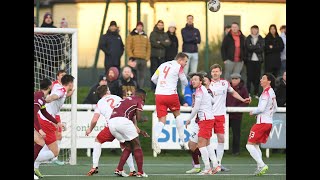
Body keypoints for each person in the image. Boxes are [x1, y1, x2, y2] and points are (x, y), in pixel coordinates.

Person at [85, 85, 137, 176]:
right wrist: (134, 125)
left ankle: (94, 166)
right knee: (125, 146)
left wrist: (90, 129)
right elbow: (130, 111)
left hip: (112, 125)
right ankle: (132, 169)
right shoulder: (117, 97)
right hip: (123, 123)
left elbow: (94, 120)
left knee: (98, 140)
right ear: (108, 91)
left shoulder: (100, 102)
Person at [208, 64, 251, 171]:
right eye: (213, 71)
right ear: (211, 73)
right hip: (208, 115)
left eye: (217, 71)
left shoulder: (225, 83)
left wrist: (242, 99)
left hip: (220, 116)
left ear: (221, 72)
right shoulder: (207, 84)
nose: (215, 73)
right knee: (204, 140)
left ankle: (218, 164)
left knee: (221, 139)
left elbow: (233, 93)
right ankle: (203, 164)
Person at [34, 75, 74, 178]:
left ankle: (35, 167)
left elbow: (46, 110)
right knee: (54, 152)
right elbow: (54, 96)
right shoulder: (61, 90)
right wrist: (47, 99)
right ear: (70, 84)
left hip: (43, 118)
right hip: (45, 122)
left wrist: (57, 122)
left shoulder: (56, 84)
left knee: (42, 144)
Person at [151, 52, 189, 154]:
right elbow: (184, 81)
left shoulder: (162, 65)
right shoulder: (178, 67)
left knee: (162, 120)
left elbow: (153, 78)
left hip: (159, 94)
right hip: (171, 95)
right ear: (180, 60)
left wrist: (161, 85)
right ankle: (182, 140)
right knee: (177, 115)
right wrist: (187, 85)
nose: (185, 64)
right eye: (185, 62)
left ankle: (156, 137)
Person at [108, 89, 149, 178]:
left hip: (111, 123)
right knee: (137, 145)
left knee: (129, 146)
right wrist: (144, 119)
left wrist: (140, 131)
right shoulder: (139, 100)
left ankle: (119, 169)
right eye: (145, 97)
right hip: (122, 121)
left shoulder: (126, 99)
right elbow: (138, 118)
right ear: (142, 96)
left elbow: (131, 119)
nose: (144, 100)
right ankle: (140, 172)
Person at [185, 73, 220, 175]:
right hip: (208, 119)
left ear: (201, 81)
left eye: (196, 79)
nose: (193, 81)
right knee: (207, 144)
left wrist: (189, 119)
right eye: (192, 79)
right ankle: (216, 165)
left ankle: (207, 168)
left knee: (201, 145)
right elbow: (213, 101)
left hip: (205, 120)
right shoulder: (204, 90)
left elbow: (196, 107)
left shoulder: (200, 91)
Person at [246, 73, 277, 176]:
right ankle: (259, 167)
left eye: (263, 78)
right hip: (268, 122)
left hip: (262, 123)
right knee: (255, 145)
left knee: (249, 145)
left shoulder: (265, 93)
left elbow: (261, 108)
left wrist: (253, 112)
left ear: (269, 81)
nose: (261, 80)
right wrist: (268, 115)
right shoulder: (272, 92)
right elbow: (275, 108)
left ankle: (262, 165)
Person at [34, 78, 60, 179]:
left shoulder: (41, 97)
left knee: (40, 142)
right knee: (40, 142)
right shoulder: (39, 98)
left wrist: (56, 122)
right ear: (50, 87)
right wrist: (39, 129)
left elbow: (44, 112)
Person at [50, 70, 73, 165]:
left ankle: (54, 158)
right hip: (49, 114)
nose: (63, 76)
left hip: (56, 114)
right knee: (43, 137)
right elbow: (55, 96)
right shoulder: (54, 85)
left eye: (64, 75)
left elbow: (62, 96)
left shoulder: (63, 88)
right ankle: (46, 157)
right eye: (61, 75)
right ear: (58, 76)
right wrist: (47, 99)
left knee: (59, 135)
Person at [226, 73, 249, 156]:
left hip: (237, 115)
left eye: (236, 79)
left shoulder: (243, 89)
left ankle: (236, 151)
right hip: (226, 114)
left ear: (239, 79)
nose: (234, 80)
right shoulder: (227, 88)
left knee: (236, 134)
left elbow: (246, 101)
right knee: (223, 133)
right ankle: (223, 149)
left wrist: (237, 109)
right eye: (233, 79)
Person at [126, 21, 151, 88]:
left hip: (143, 59)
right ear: (136, 27)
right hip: (134, 59)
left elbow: (148, 48)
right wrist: (131, 56)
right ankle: (134, 88)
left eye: (141, 26)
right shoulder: (131, 35)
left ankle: (140, 90)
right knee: (133, 75)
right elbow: (128, 47)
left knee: (142, 76)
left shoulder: (145, 36)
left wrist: (147, 58)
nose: (140, 28)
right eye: (138, 26)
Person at [181, 15, 201, 93]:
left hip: (195, 53)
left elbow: (198, 40)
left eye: (191, 19)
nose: (190, 20)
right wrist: (194, 38)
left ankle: (193, 89)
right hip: (186, 52)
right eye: (188, 19)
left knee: (193, 73)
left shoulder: (196, 30)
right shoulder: (183, 30)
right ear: (186, 20)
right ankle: (184, 89)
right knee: (185, 72)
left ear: (193, 20)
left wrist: (192, 39)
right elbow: (185, 39)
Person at [150, 20, 171, 90]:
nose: (160, 26)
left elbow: (168, 43)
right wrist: (163, 43)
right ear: (157, 25)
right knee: (154, 72)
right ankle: (153, 88)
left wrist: (159, 42)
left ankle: (160, 87)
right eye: (159, 25)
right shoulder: (153, 33)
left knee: (162, 73)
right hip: (154, 56)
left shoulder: (165, 34)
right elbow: (153, 43)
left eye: (162, 25)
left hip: (162, 56)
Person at [245, 25, 264, 99]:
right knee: (249, 77)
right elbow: (248, 48)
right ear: (251, 30)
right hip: (249, 60)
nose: (254, 31)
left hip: (258, 61)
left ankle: (256, 93)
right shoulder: (248, 38)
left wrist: (252, 47)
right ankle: (248, 93)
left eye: (256, 30)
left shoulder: (261, 38)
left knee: (257, 77)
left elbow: (261, 49)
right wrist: (256, 46)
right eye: (253, 30)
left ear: (258, 30)